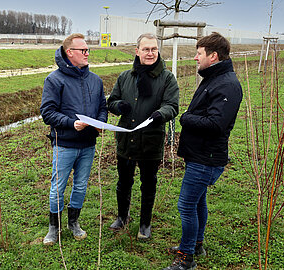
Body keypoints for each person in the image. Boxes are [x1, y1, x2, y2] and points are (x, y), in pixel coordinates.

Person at [163, 32, 243, 270]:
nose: (196, 58)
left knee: (186, 206)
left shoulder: (227, 84)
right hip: (200, 154)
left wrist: (186, 118)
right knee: (198, 203)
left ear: (213, 56)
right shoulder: (214, 78)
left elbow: (216, 124)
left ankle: (186, 258)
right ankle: (196, 244)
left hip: (206, 158)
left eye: (199, 53)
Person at [107, 33, 179, 240]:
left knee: (149, 183)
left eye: (154, 49)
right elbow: (112, 101)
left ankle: (145, 223)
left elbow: (172, 106)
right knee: (124, 182)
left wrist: (161, 114)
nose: (150, 53)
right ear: (137, 51)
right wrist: (118, 106)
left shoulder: (167, 78)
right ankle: (122, 216)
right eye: (146, 49)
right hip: (126, 140)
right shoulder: (125, 77)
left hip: (151, 141)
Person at [40, 33, 108, 245]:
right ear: (70, 53)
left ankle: (73, 223)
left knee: (80, 186)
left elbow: (102, 108)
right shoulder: (54, 80)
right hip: (65, 144)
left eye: (88, 50)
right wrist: (71, 123)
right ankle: (54, 227)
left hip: (88, 145)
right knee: (58, 187)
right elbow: (47, 113)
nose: (87, 54)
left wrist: (100, 124)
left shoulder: (95, 80)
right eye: (83, 50)